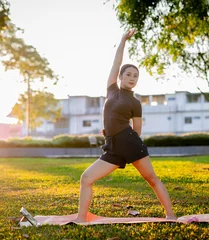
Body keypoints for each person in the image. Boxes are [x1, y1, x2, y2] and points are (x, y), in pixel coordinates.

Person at [73, 29, 176, 222]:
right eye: (128, 74)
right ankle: (81, 218)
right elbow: (116, 62)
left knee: (152, 179)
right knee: (86, 178)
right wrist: (123, 40)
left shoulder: (135, 102)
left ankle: (170, 215)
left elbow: (137, 130)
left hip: (129, 143)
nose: (132, 78)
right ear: (120, 77)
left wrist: (124, 137)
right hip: (112, 146)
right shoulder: (111, 90)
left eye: (135, 76)